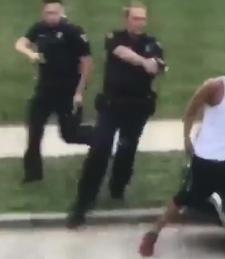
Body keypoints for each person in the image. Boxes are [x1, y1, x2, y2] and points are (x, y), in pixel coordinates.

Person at [138, 55, 225, 259]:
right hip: (206, 157)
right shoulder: (215, 87)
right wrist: (187, 138)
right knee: (186, 198)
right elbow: (190, 112)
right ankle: (153, 234)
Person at [66, 2, 167, 228]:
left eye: (142, 19)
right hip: (112, 106)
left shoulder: (153, 43)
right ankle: (83, 203)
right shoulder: (115, 37)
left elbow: (158, 67)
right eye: (135, 18)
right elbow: (122, 53)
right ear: (126, 20)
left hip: (138, 107)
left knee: (127, 149)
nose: (139, 23)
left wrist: (152, 63)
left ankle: (117, 188)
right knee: (100, 149)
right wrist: (143, 61)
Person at [15, 0, 93, 183]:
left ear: (62, 12)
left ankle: (99, 139)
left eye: (55, 12)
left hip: (67, 92)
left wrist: (80, 92)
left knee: (70, 134)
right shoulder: (39, 28)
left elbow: (87, 63)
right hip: (44, 91)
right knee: (34, 131)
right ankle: (32, 175)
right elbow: (20, 43)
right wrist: (30, 54)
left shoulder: (73, 32)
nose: (51, 16)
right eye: (48, 13)